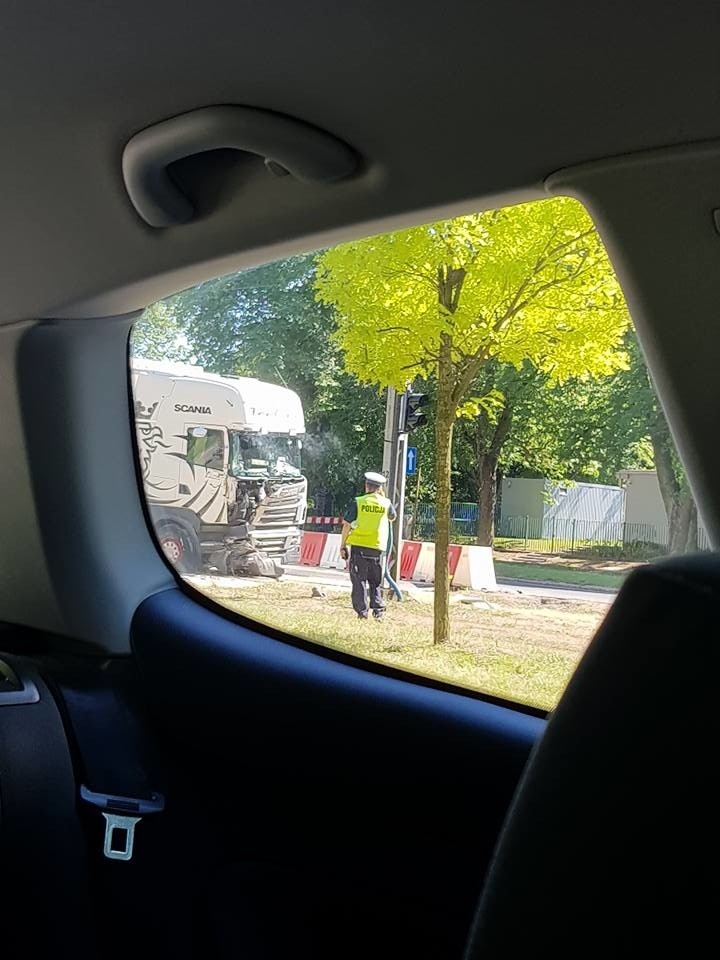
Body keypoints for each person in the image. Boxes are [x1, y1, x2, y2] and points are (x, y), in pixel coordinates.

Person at [340, 471, 397, 620]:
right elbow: (393, 517)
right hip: (377, 548)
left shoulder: (358, 502)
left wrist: (343, 545)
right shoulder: (386, 503)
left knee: (359, 581)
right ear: (379, 488)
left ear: (366, 486)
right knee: (375, 581)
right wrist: (383, 499)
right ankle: (378, 611)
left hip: (359, 547)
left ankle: (362, 613)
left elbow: (346, 525)